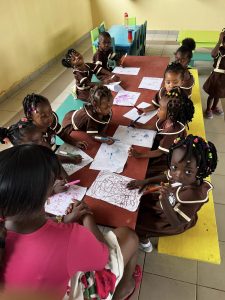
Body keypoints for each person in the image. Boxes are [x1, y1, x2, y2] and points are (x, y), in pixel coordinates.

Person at [0, 145, 140, 299]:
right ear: (44, 193)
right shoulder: (70, 236)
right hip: (67, 292)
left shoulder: (4, 227)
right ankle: (124, 289)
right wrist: (87, 216)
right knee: (129, 235)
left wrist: (62, 220)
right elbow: (102, 258)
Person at [127, 134, 217, 252]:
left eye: (188, 171)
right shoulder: (180, 175)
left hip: (171, 220)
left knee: (138, 224)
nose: (178, 174)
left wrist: (165, 201)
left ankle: (144, 242)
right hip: (167, 202)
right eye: (174, 167)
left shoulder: (192, 194)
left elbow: (176, 224)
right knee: (140, 204)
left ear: (201, 171)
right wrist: (145, 181)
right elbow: (167, 176)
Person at [129, 88, 195, 176]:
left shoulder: (173, 130)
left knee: (144, 171)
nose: (157, 110)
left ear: (170, 114)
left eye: (160, 109)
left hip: (167, 154)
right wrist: (142, 126)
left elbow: (160, 152)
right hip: (162, 143)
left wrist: (140, 155)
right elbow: (157, 127)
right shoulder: (167, 119)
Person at [0, 119, 68, 195]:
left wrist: (66, 177)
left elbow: (54, 159)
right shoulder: (24, 168)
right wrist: (53, 191)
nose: (43, 144)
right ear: (21, 149)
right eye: (35, 142)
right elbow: (31, 194)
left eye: (42, 138)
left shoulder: (43, 147)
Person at [23, 93, 87, 165]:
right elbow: (47, 157)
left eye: (50, 112)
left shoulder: (52, 120)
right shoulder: (31, 135)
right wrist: (70, 159)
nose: (50, 118)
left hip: (54, 151)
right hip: (42, 161)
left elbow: (61, 133)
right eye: (43, 116)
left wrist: (74, 142)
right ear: (30, 117)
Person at [203, 30, 225, 119]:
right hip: (216, 77)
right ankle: (208, 109)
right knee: (212, 94)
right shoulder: (220, 51)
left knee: (218, 94)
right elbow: (213, 54)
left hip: (223, 79)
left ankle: (214, 107)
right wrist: (219, 41)